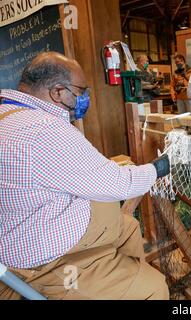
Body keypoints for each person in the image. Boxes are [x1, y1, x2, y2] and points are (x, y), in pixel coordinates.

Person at [0, 52, 170, 300]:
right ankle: (128, 281)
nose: (84, 99)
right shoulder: (44, 130)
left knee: (128, 226)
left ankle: (122, 269)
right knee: (154, 288)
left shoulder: (9, 114)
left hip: (27, 229)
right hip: (47, 263)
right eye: (80, 92)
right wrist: (159, 168)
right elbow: (121, 184)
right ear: (58, 91)